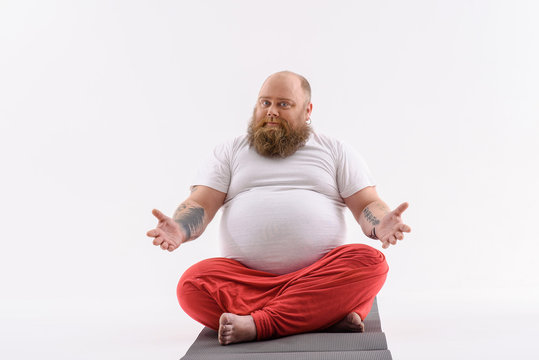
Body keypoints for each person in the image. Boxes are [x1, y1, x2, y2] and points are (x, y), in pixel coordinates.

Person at [146, 71, 411, 346]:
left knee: (371, 263)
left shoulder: (335, 151)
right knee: (192, 285)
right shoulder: (229, 151)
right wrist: (180, 227)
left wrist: (380, 224)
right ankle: (321, 314)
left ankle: (260, 324)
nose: (271, 111)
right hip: (248, 283)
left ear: (307, 110)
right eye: (265, 103)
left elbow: (367, 204)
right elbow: (200, 203)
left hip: (318, 275)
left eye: (283, 104)